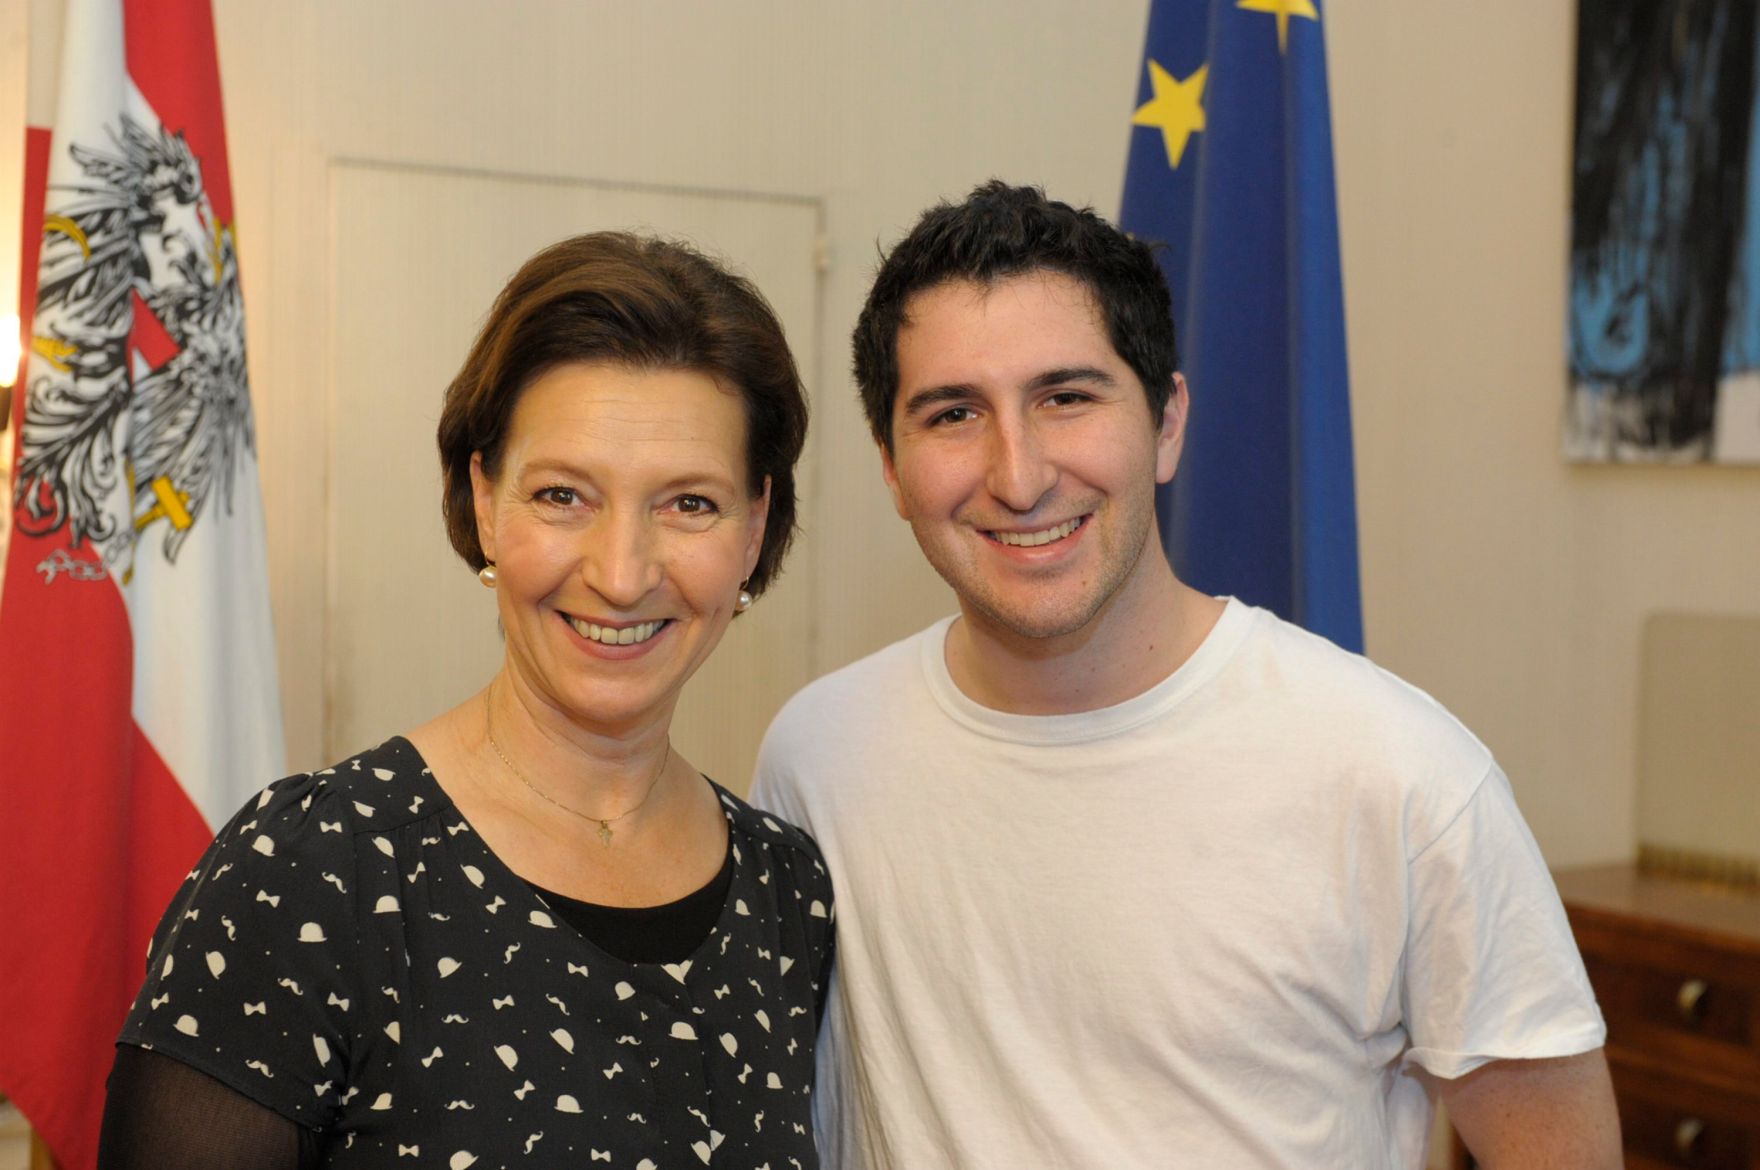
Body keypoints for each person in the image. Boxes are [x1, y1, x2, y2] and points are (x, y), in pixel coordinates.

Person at [752, 182, 1621, 1168]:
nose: (1018, 473)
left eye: (1066, 398)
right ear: (890, 466)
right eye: (953, 413)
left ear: (1165, 423)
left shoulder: (1398, 776)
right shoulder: (816, 759)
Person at [99, 232, 833, 1169]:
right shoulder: (316, 872)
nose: (620, 573)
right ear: (484, 499)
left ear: (756, 527)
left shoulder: (788, 893)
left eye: (688, 503)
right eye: (564, 494)